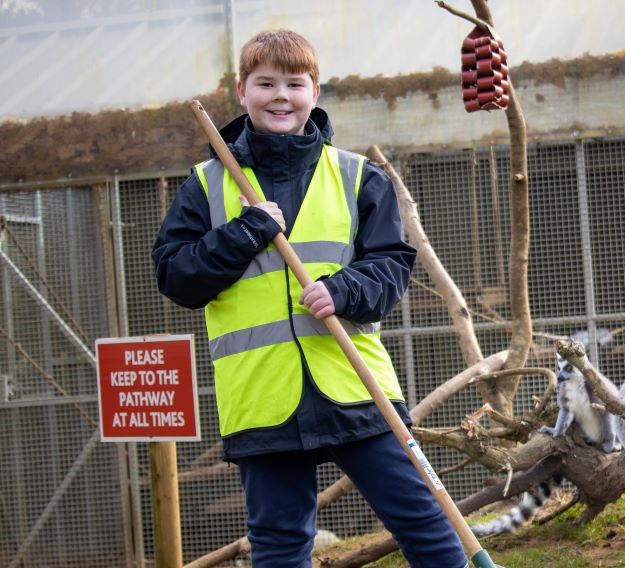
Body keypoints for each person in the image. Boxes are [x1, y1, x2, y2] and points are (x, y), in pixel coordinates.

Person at [152, 29, 467, 568]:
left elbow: (392, 268)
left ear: (315, 91)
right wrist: (242, 232)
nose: (281, 95)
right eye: (266, 83)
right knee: (278, 545)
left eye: (294, 84)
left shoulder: (357, 177)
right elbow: (175, 276)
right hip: (262, 398)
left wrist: (343, 289)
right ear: (242, 90)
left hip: (355, 387)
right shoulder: (206, 186)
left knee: (424, 520)